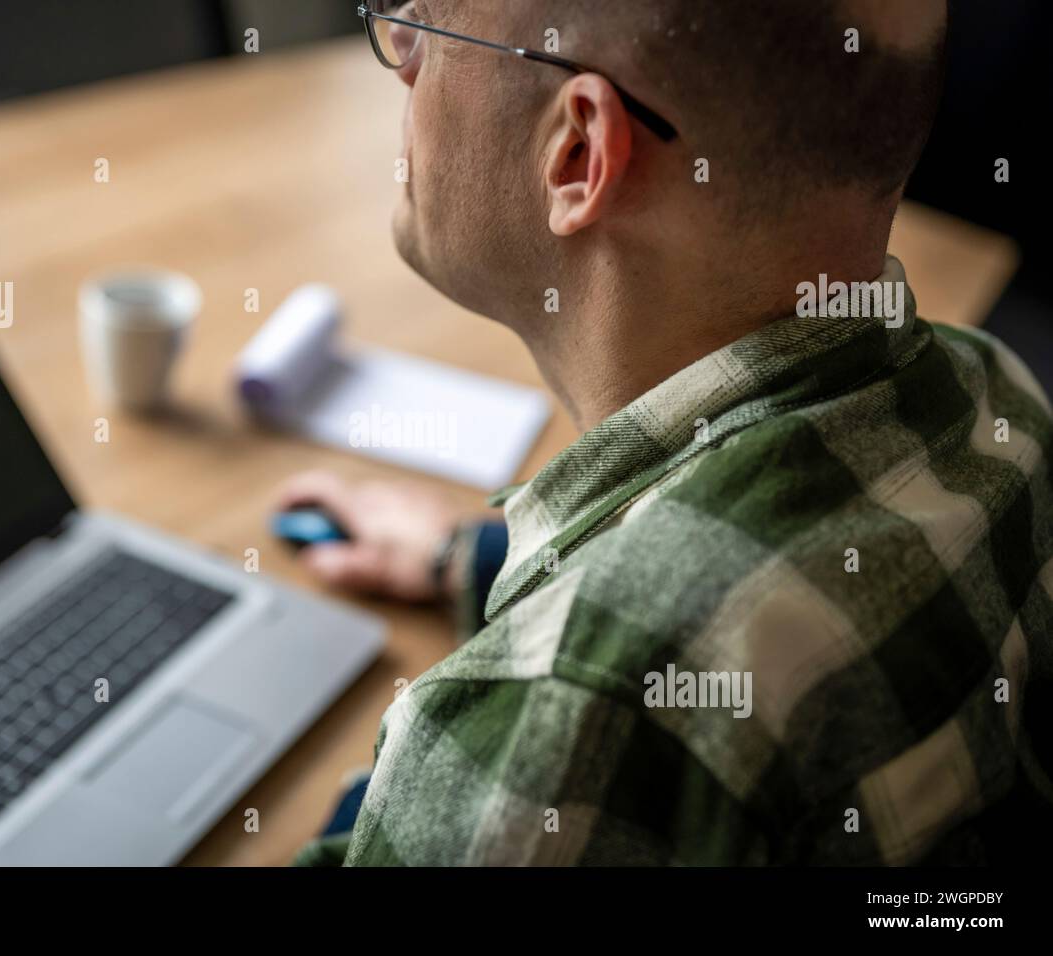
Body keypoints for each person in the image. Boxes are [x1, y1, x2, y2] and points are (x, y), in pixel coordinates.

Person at [285, 0, 1053, 865]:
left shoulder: (558, 723)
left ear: (577, 154)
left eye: (423, 20)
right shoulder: (1003, 405)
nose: (403, 58)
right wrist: (481, 563)